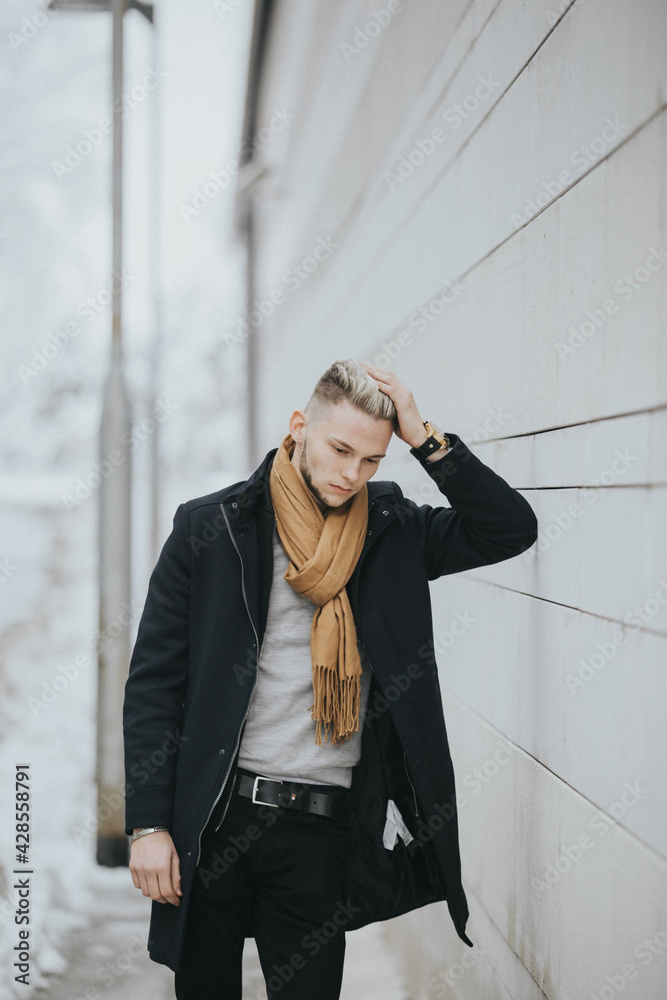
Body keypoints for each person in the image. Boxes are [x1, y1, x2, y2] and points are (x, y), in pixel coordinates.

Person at [123, 358, 538, 999]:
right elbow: (154, 682)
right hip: (214, 819)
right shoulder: (215, 528)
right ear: (299, 428)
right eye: (340, 449)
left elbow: (508, 527)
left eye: (371, 460)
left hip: (320, 830)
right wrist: (149, 825)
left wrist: (425, 439)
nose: (352, 474)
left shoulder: (391, 532)